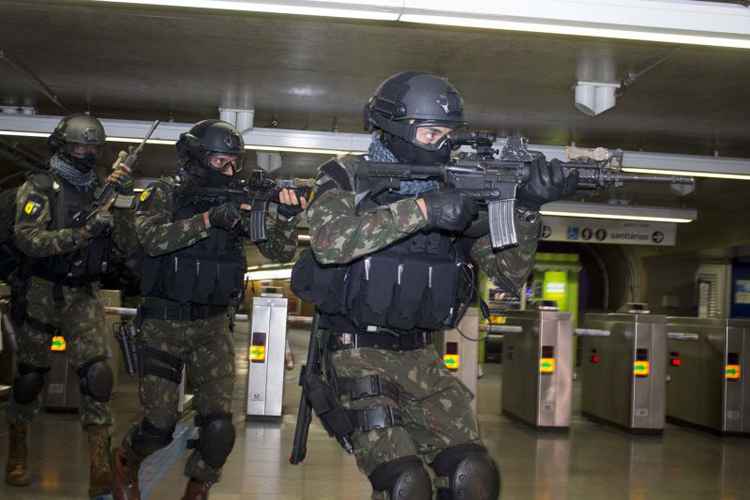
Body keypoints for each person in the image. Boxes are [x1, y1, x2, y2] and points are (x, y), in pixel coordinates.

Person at [292, 72, 577, 500]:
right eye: (430, 132)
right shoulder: (346, 176)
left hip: (423, 355)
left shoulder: (457, 184)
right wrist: (424, 209)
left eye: (448, 134)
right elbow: (331, 243)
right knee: (405, 484)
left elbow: (507, 275)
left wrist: (528, 210)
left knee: (473, 476)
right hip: (354, 354)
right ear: (394, 129)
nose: (442, 144)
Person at [111, 119, 305, 500]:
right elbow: (150, 239)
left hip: (213, 325)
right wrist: (207, 220)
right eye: (221, 162)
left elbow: (280, 252)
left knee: (219, 428)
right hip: (163, 324)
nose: (231, 171)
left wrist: (284, 218)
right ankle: (125, 462)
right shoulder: (164, 193)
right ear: (198, 158)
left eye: (235, 162)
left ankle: (198, 488)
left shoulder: (237, 196)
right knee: (158, 426)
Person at [4, 114, 136, 499]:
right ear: (62, 146)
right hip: (42, 290)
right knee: (30, 378)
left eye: (93, 148)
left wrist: (123, 203)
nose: (87, 153)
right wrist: (82, 233)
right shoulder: (39, 187)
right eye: (80, 146)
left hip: (84, 293)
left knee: (97, 376)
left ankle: (99, 462)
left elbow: (126, 245)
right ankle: (18, 444)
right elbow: (28, 240)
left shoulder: (102, 188)